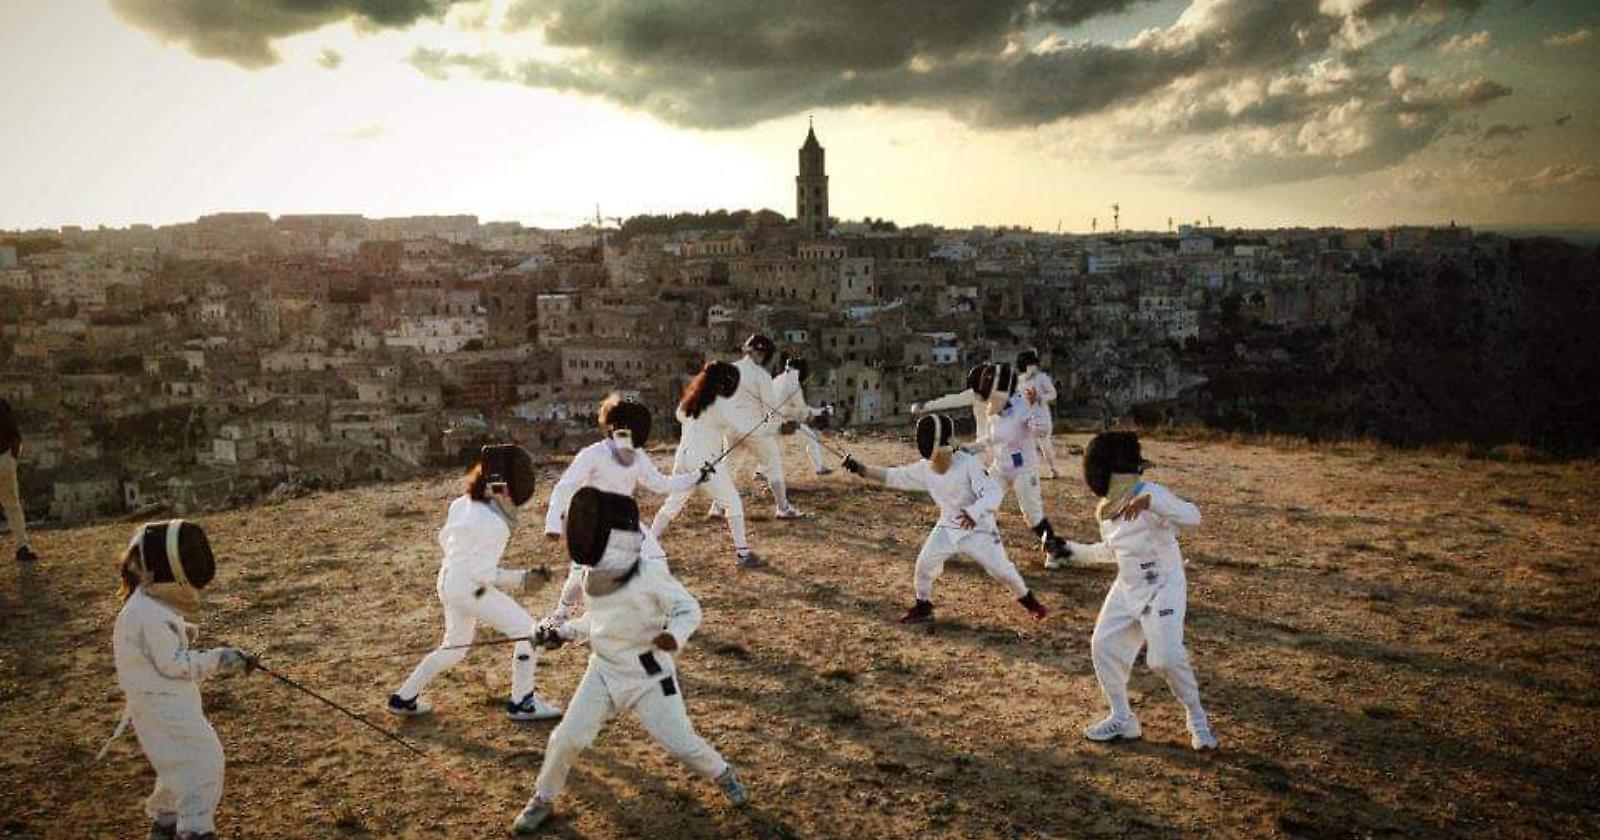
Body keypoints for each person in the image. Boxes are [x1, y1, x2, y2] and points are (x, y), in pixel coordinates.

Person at [512, 488, 748, 834]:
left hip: (648, 675)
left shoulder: (650, 574)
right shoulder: (591, 575)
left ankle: (722, 772)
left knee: (681, 744)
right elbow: (599, 622)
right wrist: (562, 633)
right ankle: (543, 799)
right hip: (604, 670)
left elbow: (688, 609)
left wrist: (674, 637)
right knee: (565, 738)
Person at [1062, 431, 1218, 751]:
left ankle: (1197, 718)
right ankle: (1123, 719)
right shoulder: (1106, 511)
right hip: (1129, 585)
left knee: (1165, 659)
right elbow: (1111, 552)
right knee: (1103, 645)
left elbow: (1194, 516)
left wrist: (1153, 502)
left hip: (1164, 585)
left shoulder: (1151, 494)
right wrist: (1070, 550)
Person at [386, 444, 561, 722]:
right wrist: (523, 579)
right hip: (470, 587)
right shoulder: (493, 523)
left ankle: (403, 697)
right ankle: (523, 703)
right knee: (528, 631)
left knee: (454, 647)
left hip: (447, 581)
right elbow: (484, 575)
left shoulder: (461, 503)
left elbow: (450, 543)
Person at [107, 519, 254, 840]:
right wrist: (219, 659)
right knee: (204, 762)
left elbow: (156, 646)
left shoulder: (145, 604)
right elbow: (175, 664)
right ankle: (196, 830)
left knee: (176, 764)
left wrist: (183, 634)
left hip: (157, 703)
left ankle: (166, 823)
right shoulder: (148, 613)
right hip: (163, 705)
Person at [841, 414, 1047, 624]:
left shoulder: (968, 464)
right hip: (948, 527)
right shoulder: (925, 468)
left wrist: (974, 513)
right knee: (924, 564)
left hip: (980, 530)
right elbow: (894, 476)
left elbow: (993, 492)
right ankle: (923, 605)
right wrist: (862, 469)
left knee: (1002, 571)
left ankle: (1032, 604)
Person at [542, 395, 707, 628]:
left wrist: (696, 476)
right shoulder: (593, 454)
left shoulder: (637, 456)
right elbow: (565, 487)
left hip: (624, 518)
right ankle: (560, 614)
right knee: (581, 574)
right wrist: (553, 524)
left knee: (656, 557)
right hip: (593, 521)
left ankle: (663, 610)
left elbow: (660, 483)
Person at [651, 362, 765, 568]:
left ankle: (646, 545)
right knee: (732, 502)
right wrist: (764, 419)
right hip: (704, 462)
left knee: (674, 502)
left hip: (683, 457)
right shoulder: (720, 405)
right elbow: (744, 426)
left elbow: (681, 416)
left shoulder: (691, 400)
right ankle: (743, 555)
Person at [969, 363, 1074, 569]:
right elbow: (991, 438)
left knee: (1033, 515)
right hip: (1001, 466)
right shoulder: (993, 411)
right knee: (980, 501)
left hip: (1024, 470)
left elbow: (1042, 431)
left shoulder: (1023, 405)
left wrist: (1035, 406)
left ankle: (1056, 551)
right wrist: (967, 449)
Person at [727, 334, 803, 519]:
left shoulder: (731, 369)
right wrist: (780, 427)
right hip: (753, 430)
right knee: (773, 463)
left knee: (729, 467)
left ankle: (718, 508)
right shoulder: (762, 375)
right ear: (764, 354)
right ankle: (783, 508)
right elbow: (770, 409)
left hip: (730, 428)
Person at [908, 364, 994, 467]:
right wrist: (925, 406)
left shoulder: (1007, 399)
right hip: (982, 449)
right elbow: (952, 400)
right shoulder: (973, 395)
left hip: (998, 449)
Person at [772, 355, 833, 476]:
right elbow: (802, 410)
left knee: (772, 446)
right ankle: (819, 468)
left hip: (771, 419)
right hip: (784, 422)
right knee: (811, 437)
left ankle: (760, 472)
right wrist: (822, 411)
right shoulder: (793, 384)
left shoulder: (778, 379)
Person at [0, 397, 36, 563]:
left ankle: (22, 546)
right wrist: (12, 458)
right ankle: (22, 546)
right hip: (5, 458)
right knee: (13, 505)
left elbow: (15, 434)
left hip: (4, 458)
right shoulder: (2, 403)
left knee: (12, 504)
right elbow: (15, 434)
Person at [1016, 349, 1061, 479]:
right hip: (1025, 419)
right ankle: (1021, 470)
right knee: (1019, 444)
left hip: (1041, 419)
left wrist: (1039, 398)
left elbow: (1053, 394)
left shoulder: (1042, 377)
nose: (1033, 367)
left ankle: (1053, 469)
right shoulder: (1020, 380)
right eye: (1031, 365)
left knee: (1043, 444)